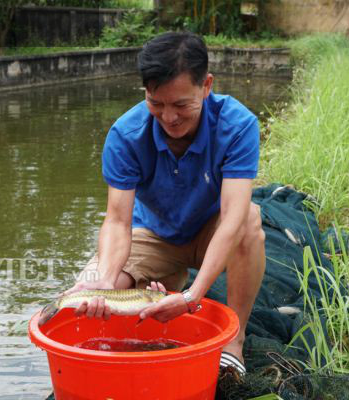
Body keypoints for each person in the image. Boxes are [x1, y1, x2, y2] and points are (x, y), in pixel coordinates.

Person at [65, 31, 266, 371]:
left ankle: (235, 340)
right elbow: (117, 221)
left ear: (206, 86)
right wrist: (104, 278)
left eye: (181, 104)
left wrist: (192, 297)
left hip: (211, 230)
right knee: (92, 289)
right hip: (153, 234)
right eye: (156, 103)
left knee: (249, 220)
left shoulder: (238, 125)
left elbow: (232, 219)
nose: (169, 117)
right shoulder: (126, 135)